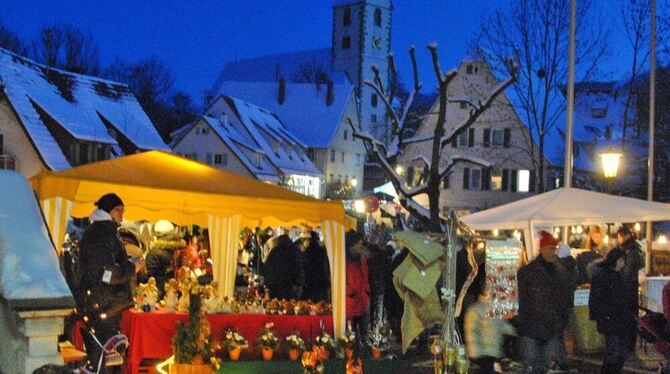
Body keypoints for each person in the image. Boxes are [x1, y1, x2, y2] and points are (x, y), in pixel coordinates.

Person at [78, 193, 144, 373]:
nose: (122, 214)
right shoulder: (101, 234)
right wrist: (131, 267)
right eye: (118, 210)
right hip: (103, 304)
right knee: (104, 360)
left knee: (109, 358)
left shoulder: (106, 231)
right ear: (107, 210)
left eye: (123, 210)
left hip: (106, 304)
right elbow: (106, 273)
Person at [516, 231, 577, 374]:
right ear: (542, 249)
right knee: (531, 365)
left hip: (550, 329)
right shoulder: (527, 272)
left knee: (543, 367)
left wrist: (562, 323)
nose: (553, 252)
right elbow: (521, 300)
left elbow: (565, 299)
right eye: (550, 248)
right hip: (531, 329)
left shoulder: (560, 272)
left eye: (554, 248)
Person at [589, 249, 632, 373]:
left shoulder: (620, 276)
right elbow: (596, 300)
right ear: (615, 260)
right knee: (613, 351)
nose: (623, 264)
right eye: (622, 261)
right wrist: (603, 314)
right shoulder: (602, 276)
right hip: (610, 319)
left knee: (621, 351)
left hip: (621, 319)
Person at [464, 272, 516, 374]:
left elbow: (501, 325)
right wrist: (475, 353)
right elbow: (471, 333)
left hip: (494, 354)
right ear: (485, 291)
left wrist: (515, 331)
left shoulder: (494, 309)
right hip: (482, 356)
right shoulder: (475, 310)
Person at [615, 226, 644, 351]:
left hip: (627, 288)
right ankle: (628, 344)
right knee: (630, 316)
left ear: (623, 236)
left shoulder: (630, 250)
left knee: (628, 317)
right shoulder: (633, 248)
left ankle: (628, 345)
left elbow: (628, 272)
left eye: (618, 237)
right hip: (630, 287)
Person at [145, 220, 184, 298]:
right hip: (179, 292)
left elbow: (149, 275)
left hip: (159, 294)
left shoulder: (154, 253)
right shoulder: (180, 250)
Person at [345, 230, 370, 341]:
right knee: (351, 329)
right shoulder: (345, 260)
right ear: (351, 246)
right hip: (350, 299)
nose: (361, 246)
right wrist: (349, 291)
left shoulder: (362, 259)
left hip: (361, 298)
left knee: (362, 329)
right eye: (358, 244)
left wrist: (366, 293)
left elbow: (365, 277)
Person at [262, 232, 303, 299]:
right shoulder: (293, 251)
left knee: (274, 305)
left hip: (274, 285)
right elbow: (298, 268)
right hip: (289, 285)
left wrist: (267, 285)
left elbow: (267, 269)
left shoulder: (274, 251)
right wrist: (298, 283)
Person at [384, 239, 407, 339]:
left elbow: (391, 275)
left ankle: (400, 335)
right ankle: (403, 335)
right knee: (403, 314)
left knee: (400, 314)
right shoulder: (407, 260)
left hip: (397, 291)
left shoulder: (399, 258)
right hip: (403, 291)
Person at [301, 230, 331, 302]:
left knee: (311, 299)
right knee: (321, 300)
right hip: (321, 278)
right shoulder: (321, 250)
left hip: (309, 279)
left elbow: (304, 265)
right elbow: (325, 265)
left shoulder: (307, 251)